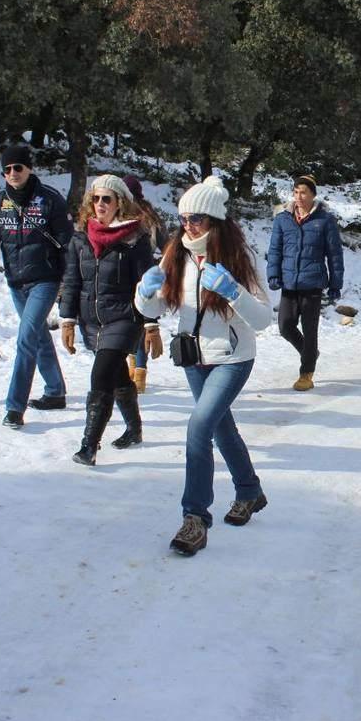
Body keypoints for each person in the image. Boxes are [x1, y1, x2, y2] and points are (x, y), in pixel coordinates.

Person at [134, 175, 272, 557]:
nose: (188, 226)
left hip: (232, 358)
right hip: (194, 358)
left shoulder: (239, 259)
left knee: (199, 428)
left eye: (197, 218)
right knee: (221, 429)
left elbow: (262, 319)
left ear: (215, 221)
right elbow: (155, 307)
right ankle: (249, 491)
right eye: (183, 217)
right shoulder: (175, 253)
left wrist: (233, 292)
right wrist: (144, 294)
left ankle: (195, 518)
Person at [58, 175, 160, 465]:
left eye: (107, 199)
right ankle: (134, 428)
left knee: (100, 375)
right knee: (116, 374)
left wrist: (151, 324)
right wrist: (67, 319)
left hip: (125, 317)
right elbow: (72, 280)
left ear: (120, 203)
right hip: (91, 320)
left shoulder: (136, 240)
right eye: (96, 198)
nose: (100, 204)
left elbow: (147, 285)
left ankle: (88, 447)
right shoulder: (79, 239)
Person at [0, 143, 74, 429]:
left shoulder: (50, 199)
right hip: (16, 282)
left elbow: (68, 243)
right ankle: (55, 391)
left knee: (26, 338)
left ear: (29, 167)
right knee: (39, 335)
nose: (13, 173)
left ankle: (14, 407)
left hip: (46, 278)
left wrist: (71, 283)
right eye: (7, 169)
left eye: (18, 167)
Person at [266, 173, 345, 391]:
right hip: (289, 283)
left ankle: (306, 373)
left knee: (310, 331)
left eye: (304, 192)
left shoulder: (325, 220)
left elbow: (334, 255)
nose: (299, 196)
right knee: (285, 326)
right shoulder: (283, 219)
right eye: (296, 192)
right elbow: (275, 250)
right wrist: (273, 274)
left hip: (313, 283)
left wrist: (335, 284)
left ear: (313, 195)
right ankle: (310, 352)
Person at [122, 174, 168, 394]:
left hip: (140, 274)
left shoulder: (142, 217)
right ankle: (136, 369)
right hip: (136, 274)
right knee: (135, 323)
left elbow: (166, 244)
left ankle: (138, 371)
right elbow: (166, 244)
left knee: (137, 322)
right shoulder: (148, 215)